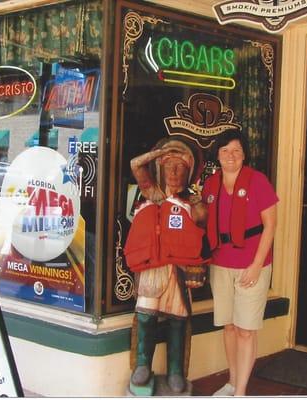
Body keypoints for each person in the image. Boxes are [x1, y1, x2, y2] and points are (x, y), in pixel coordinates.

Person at [123, 138, 209, 393]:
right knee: (146, 317)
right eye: (168, 166)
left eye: (179, 167)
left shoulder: (191, 201)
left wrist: (197, 203)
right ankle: (142, 366)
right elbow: (135, 165)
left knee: (178, 322)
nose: (173, 172)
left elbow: (202, 221)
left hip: (179, 272)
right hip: (152, 269)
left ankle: (175, 371)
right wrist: (159, 152)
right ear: (160, 168)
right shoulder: (153, 194)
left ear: (189, 172)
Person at [202, 130, 278, 396]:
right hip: (221, 264)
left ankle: (240, 392)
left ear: (244, 154)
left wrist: (257, 264)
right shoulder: (210, 184)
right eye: (224, 151)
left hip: (252, 265)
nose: (230, 156)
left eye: (236, 150)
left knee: (246, 330)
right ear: (218, 156)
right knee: (230, 326)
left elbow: (270, 226)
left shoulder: (258, 182)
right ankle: (232, 382)